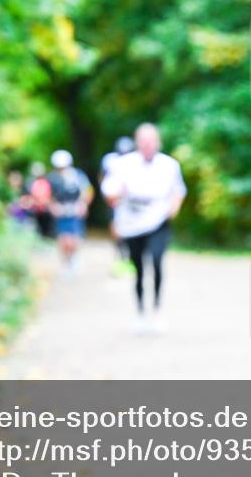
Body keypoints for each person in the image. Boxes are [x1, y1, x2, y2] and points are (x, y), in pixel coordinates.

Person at [102, 123, 186, 333]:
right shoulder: (123, 165)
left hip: (158, 221)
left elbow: (178, 190)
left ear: (158, 142)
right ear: (138, 143)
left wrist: (172, 210)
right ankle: (140, 312)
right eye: (144, 141)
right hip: (132, 223)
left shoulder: (169, 165)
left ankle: (157, 309)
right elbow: (110, 192)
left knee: (157, 262)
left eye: (152, 140)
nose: (148, 145)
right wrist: (116, 196)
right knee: (138, 268)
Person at [47, 149, 93, 273]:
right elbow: (48, 195)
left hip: (75, 209)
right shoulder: (52, 178)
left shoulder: (78, 176)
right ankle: (65, 262)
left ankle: (73, 258)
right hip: (61, 211)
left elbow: (87, 191)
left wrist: (84, 205)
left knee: (74, 237)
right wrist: (53, 207)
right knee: (63, 238)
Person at [100, 136, 137, 276]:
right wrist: (107, 194)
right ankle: (120, 256)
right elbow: (103, 177)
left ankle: (132, 258)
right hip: (115, 200)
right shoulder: (110, 160)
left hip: (132, 202)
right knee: (116, 228)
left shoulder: (137, 160)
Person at [26, 161, 55, 239]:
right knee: (37, 228)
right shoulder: (30, 182)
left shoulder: (47, 182)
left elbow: (51, 195)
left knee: (47, 227)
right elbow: (28, 196)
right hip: (35, 209)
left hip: (45, 208)